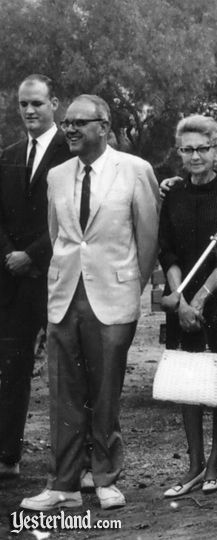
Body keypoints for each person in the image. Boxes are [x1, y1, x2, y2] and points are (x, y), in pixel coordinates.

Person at [20, 94, 160, 511]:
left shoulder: (135, 170)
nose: (71, 130)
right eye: (67, 124)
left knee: (105, 391)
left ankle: (104, 478)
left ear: (104, 126)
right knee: (63, 390)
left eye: (81, 123)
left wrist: (133, 287)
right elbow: (60, 236)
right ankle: (62, 483)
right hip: (65, 295)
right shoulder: (57, 175)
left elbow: (147, 237)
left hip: (114, 296)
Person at [159, 115, 217, 497]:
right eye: (187, 149)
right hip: (182, 302)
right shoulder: (173, 194)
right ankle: (193, 464)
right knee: (187, 381)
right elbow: (168, 252)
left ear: (216, 149)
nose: (195, 156)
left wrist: (199, 300)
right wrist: (179, 300)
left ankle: (216, 461)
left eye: (203, 149)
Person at [0, 74, 71, 479]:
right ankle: (7, 455)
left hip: (55, 276)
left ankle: (69, 462)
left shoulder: (71, 151)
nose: (29, 110)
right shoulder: (8, 154)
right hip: (11, 283)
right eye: (24, 104)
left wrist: (32, 255)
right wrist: (11, 255)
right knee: (11, 369)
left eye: (37, 104)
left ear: (54, 104)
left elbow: (72, 216)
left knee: (66, 372)